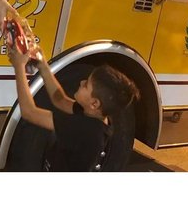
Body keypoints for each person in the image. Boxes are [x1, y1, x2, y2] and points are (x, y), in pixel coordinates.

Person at [8, 44, 141, 171]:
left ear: (94, 104)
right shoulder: (94, 116)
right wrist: (43, 65)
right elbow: (60, 100)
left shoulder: (84, 130)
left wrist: (19, 66)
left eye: (86, 85)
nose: (81, 82)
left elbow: (29, 112)